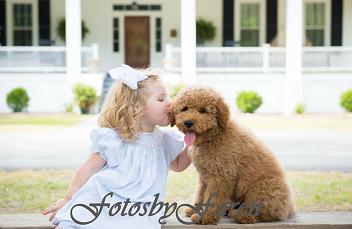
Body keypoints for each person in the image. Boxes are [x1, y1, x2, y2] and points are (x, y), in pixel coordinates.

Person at [41, 64, 191, 228]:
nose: (170, 103)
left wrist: (195, 146)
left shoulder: (164, 141)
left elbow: (177, 165)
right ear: (138, 107)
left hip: (140, 208)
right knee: (77, 219)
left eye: (168, 97)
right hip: (104, 199)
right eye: (161, 99)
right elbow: (89, 168)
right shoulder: (116, 139)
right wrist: (68, 199)